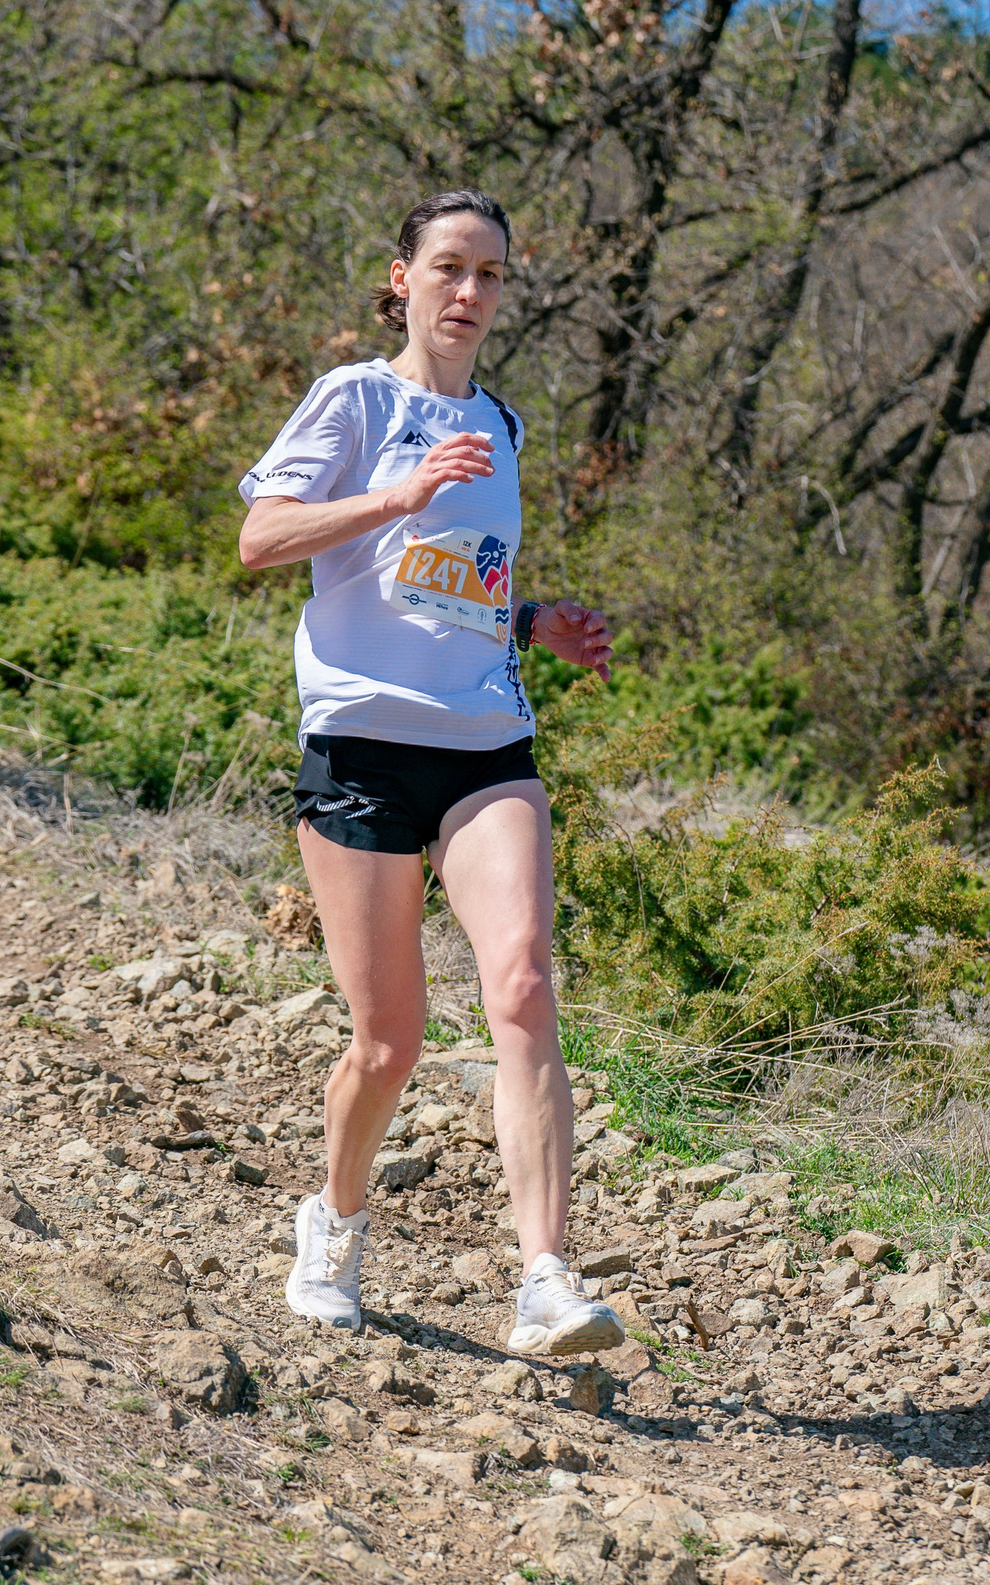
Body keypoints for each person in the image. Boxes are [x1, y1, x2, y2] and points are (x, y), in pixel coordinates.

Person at [237, 188, 624, 1355]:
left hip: (483, 744)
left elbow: (455, 583)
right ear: (400, 278)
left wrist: (535, 618)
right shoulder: (354, 398)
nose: (470, 293)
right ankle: (336, 1221)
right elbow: (261, 540)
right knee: (390, 1041)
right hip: (359, 743)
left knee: (521, 984)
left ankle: (546, 1280)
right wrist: (392, 493)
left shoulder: (501, 425)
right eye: (449, 268)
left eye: (491, 274)